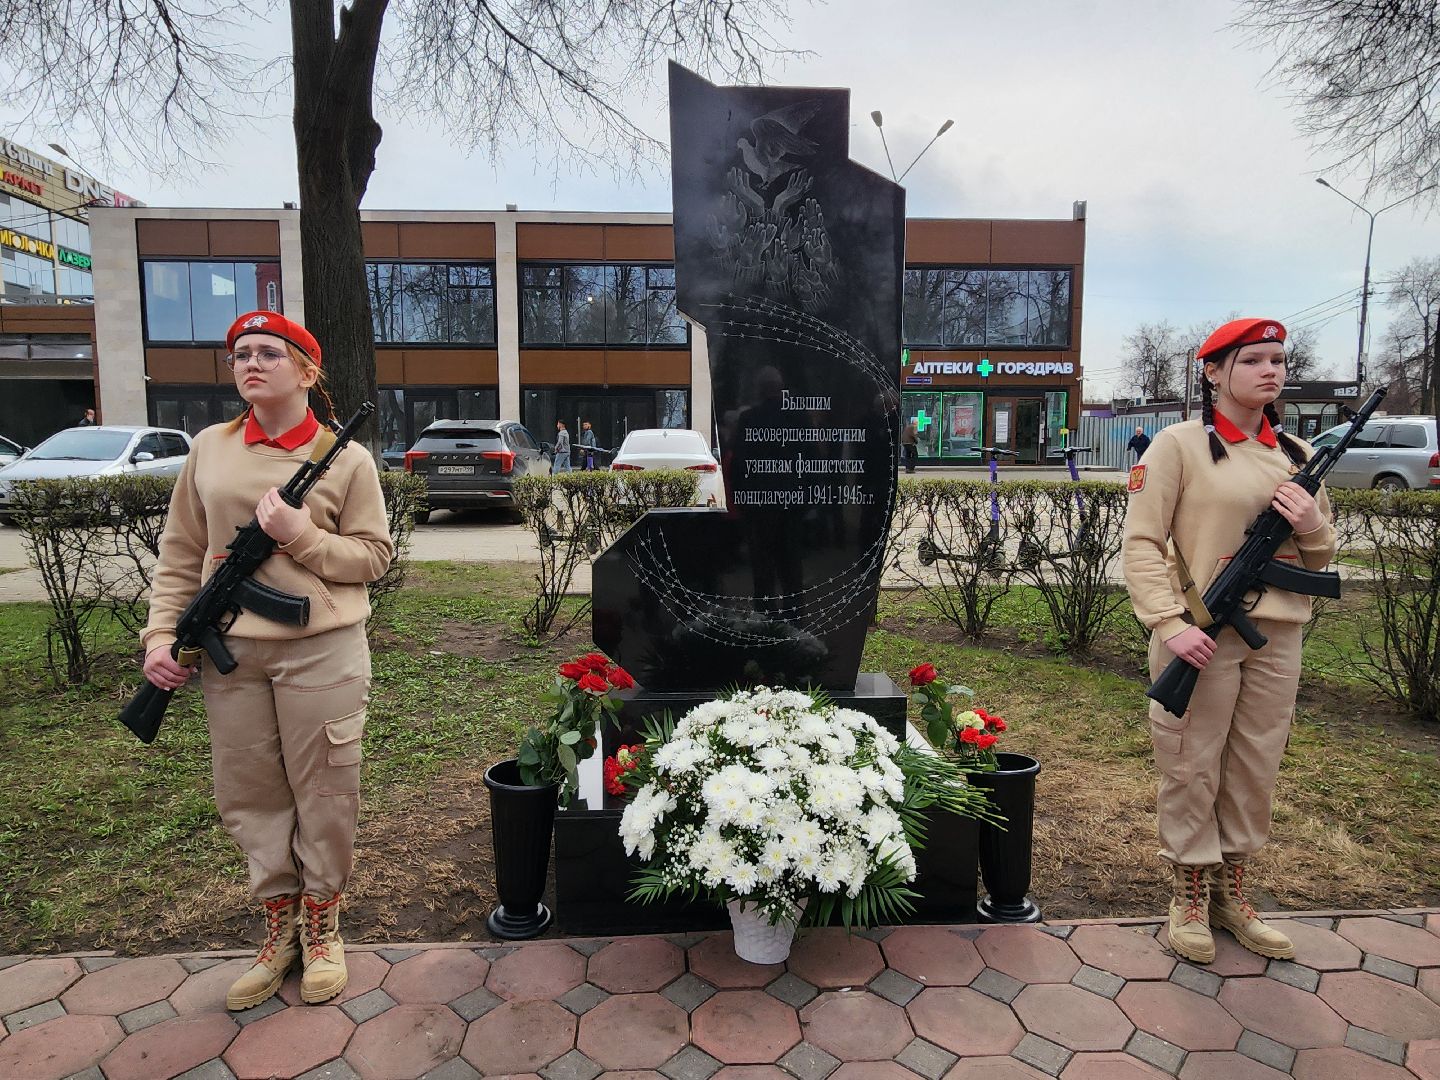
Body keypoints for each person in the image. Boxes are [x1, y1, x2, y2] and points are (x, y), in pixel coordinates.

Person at [141, 311, 393, 1010]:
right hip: (233, 657)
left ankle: (323, 924)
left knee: (326, 790)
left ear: (308, 371)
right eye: (240, 354)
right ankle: (279, 926)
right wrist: (160, 637)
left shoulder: (346, 459)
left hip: (322, 651)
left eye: (267, 353)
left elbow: (373, 556)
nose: (249, 363)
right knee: (249, 793)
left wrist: (301, 536)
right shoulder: (210, 449)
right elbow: (181, 553)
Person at [1122, 317, 1334, 965]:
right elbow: (1141, 543)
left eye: (1278, 360)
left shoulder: (1298, 455)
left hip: (1278, 634)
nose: (1271, 371)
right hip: (1200, 632)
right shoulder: (1178, 446)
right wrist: (1169, 622)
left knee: (1255, 764)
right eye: (1253, 360)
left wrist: (1312, 521)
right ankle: (1188, 892)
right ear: (1214, 372)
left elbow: (1321, 557)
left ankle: (1231, 893)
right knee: (1191, 760)